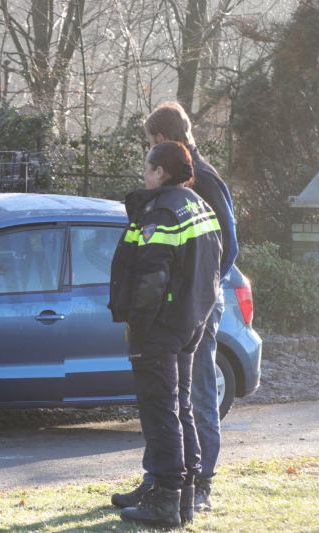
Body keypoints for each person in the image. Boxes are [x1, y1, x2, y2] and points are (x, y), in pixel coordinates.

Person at [111, 102, 239, 514]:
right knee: (174, 400)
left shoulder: (200, 183)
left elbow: (225, 247)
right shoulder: (188, 184)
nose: (145, 159)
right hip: (186, 306)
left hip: (187, 309)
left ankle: (194, 485)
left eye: (149, 147)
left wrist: (193, 298)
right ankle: (163, 482)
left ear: (162, 145)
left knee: (188, 398)